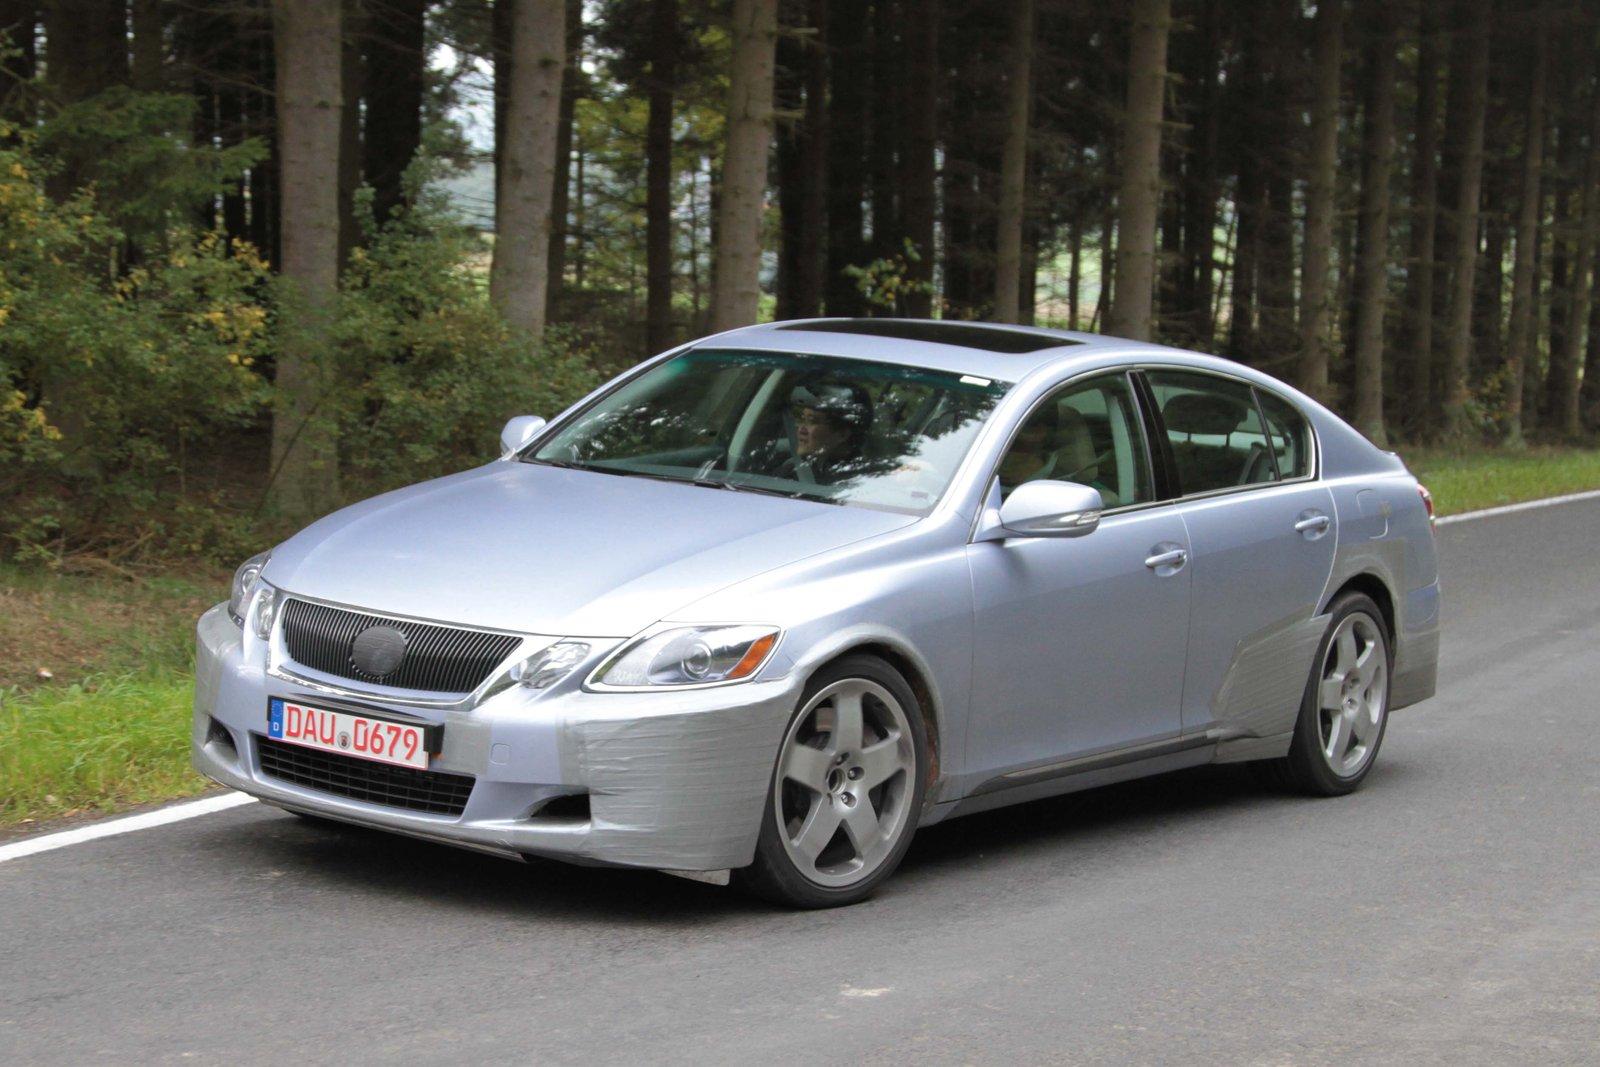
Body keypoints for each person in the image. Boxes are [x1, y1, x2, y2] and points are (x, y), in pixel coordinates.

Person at [780, 380, 874, 485]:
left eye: (812, 421)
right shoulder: (793, 469)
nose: (801, 429)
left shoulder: (862, 482)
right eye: (802, 419)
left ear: (842, 434)